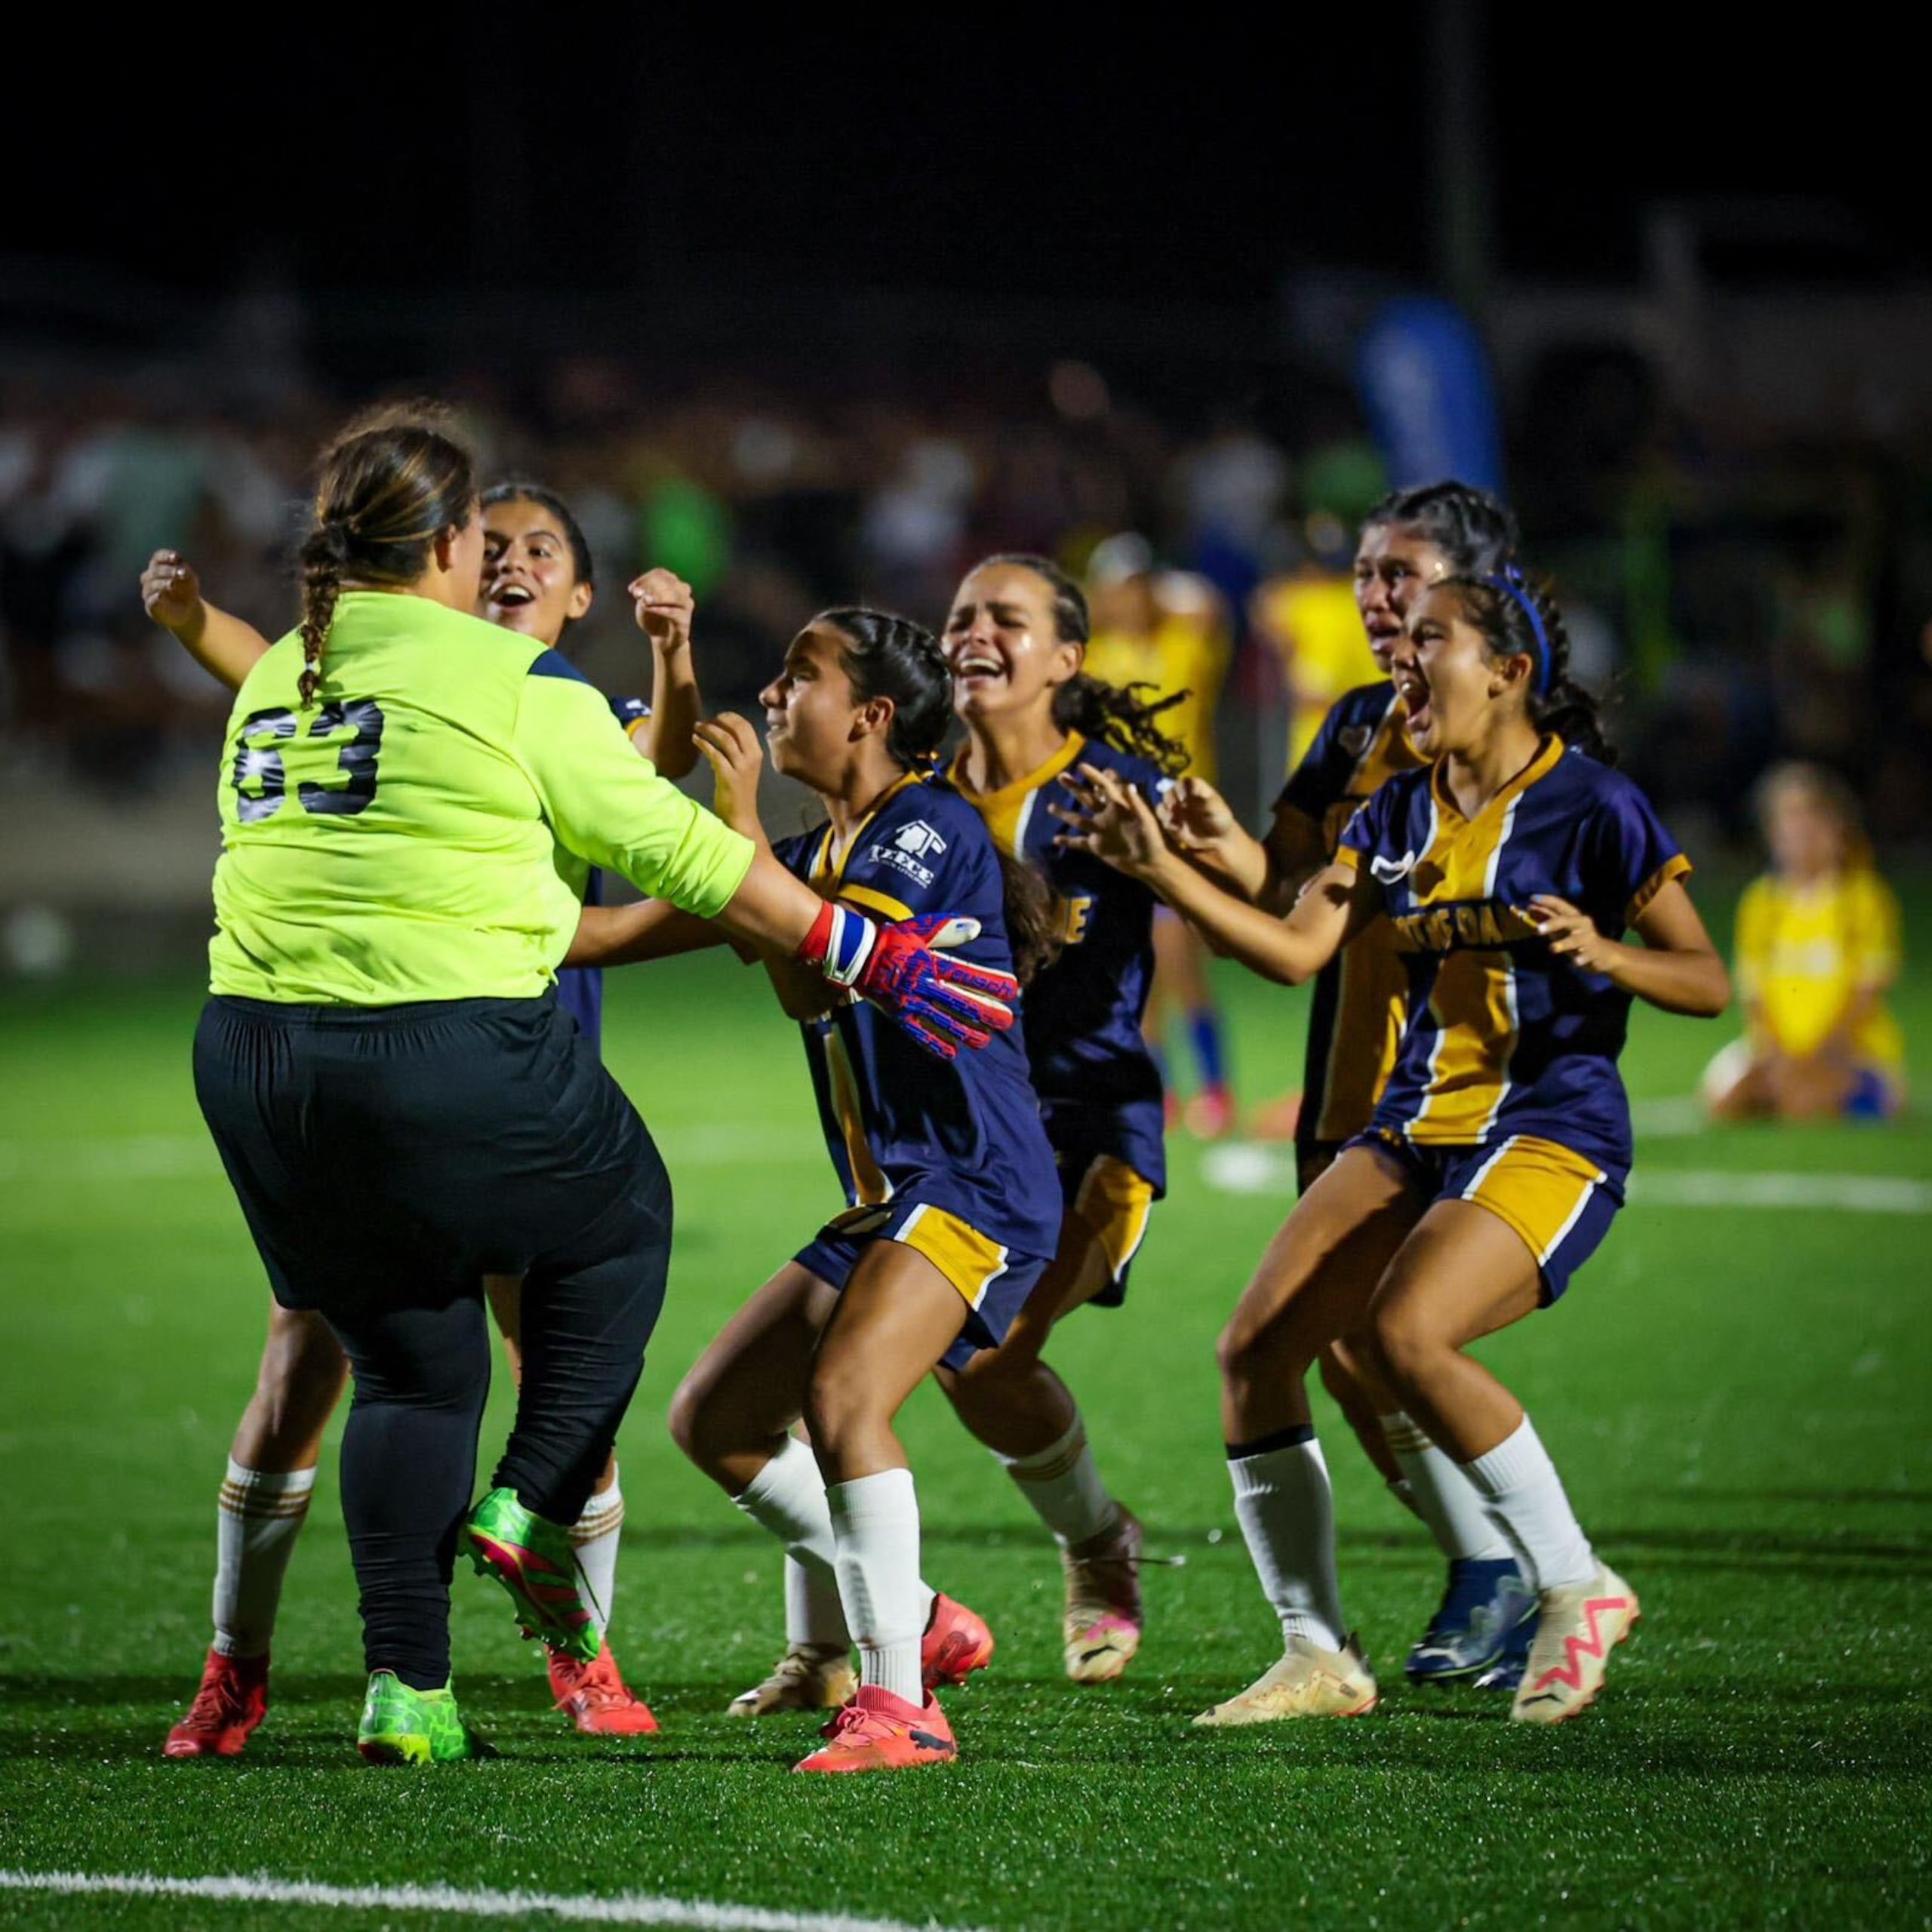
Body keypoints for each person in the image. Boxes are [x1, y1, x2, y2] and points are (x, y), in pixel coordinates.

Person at [183, 408, 1015, 1764]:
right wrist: (867, 950)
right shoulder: (514, 681)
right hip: (433, 1047)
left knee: (411, 1363)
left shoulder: (288, 665)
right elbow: (672, 845)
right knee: (620, 1219)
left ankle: (411, 1692)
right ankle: (527, 1503)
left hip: (253, 1060)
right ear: (449, 544)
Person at [1057, 567, 1727, 1725]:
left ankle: (1577, 1585)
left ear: (1510, 673)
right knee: (1256, 1351)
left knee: (1405, 1333)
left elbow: (1708, 980)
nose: (1402, 664)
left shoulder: (1593, 806)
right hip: (1415, 1127)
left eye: (1432, 642)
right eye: (1400, 642)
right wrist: (1162, 868)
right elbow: (1291, 954)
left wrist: (1610, 955)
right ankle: (1318, 1651)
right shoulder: (1396, 811)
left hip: (1547, 1126)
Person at [142, 484, 697, 1749]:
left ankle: (577, 1657)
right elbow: (282, 668)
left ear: (577, 596)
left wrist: (672, 660)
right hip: (415, 1058)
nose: (507, 562)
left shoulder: (557, 700)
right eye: (489, 545)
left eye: (539, 550)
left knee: (554, 1390)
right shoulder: (418, 686)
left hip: (513, 1072)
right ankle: (237, 1665)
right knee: (305, 1365)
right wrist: (194, 623)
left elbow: (650, 779)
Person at [571, 606, 1060, 1771]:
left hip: (977, 1184)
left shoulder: (930, 827)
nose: (778, 695)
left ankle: (901, 1710)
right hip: (897, 1196)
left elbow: (820, 981)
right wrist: (466, 916)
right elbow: (603, 933)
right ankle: (921, 1619)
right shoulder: (809, 860)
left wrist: (736, 830)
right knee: (718, 1419)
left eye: (803, 677)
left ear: (873, 718)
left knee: (847, 1398)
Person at [730, 552, 1187, 1704]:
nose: (974, 629)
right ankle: (848, 1644)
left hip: (1072, 1127)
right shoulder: (904, 806)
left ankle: (1086, 1553)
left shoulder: (1099, 790)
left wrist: (1192, 856)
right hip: (940, 1139)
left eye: (1007, 615)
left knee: (967, 1354)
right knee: (857, 1377)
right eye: (962, 614)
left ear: (1068, 658)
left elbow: (1249, 903)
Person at [1165, 483, 1543, 1689]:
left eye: (1405, 573)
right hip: (1349, 1086)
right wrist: (1203, 837)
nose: (1378, 595)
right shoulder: (1352, 726)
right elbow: (1289, 887)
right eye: (1368, 573)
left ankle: (1524, 1574)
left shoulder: (1516, 741)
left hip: (1459, 1100)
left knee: (1371, 1337)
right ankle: (1498, 1573)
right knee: (1340, 1352)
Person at [1083, 534, 1235, 1136]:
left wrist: (1156, 591)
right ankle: (1163, 1090)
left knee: (1178, 959)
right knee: (1135, 966)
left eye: (1138, 586)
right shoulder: (1097, 657)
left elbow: (1209, 605)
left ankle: (1215, 1088)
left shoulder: (1185, 643)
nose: (1132, 599)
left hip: (1181, 824)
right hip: (1123, 829)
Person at [1703, 761, 1906, 1121]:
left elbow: (1866, 993)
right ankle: (1801, 1094)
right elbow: (1754, 993)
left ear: (1838, 831)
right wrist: (1781, 1055)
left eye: (1811, 824)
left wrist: (1821, 1054)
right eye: (1789, 825)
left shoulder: (1862, 899)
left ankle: (1863, 1095)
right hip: (1777, 1050)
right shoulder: (1762, 901)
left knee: (1810, 1100)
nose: (1800, 836)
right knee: (1722, 1098)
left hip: (1847, 1050)